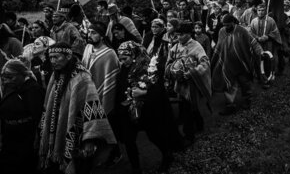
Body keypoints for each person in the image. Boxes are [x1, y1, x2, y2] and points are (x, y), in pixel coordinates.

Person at [38, 42, 116, 174]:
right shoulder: (56, 74)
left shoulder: (82, 77)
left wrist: (89, 139)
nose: (53, 61)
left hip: (77, 130)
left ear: (68, 56)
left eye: (56, 57)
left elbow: (92, 107)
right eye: (50, 57)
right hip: (56, 125)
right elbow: (49, 102)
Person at [116, 41, 182, 174]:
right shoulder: (123, 69)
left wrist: (143, 93)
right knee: (129, 140)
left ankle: (167, 155)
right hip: (129, 112)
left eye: (125, 58)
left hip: (148, 111)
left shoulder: (149, 67)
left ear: (133, 54)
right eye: (120, 59)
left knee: (154, 136)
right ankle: (136, 168)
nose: (122, 62)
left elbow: (159, 90)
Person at [166, 22, 211, 143]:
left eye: (181, 34)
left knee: (188, 108)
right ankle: (199, 124)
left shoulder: (196, 46)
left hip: (192, 84)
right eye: (177, 34)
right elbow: (169, 61)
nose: (178, 37)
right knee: (188, 107)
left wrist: (192, 72)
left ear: (189, 34)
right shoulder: (175, 47)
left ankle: (189, 136)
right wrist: (172, 69)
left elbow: (205, 63)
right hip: (179, 83)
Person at [212, 14, 263, 115]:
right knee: (228, 85)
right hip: (227, 63)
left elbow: (253, 42)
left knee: (245, 83)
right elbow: (219, 44)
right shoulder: (222, 31)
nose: (226, 27)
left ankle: (247, 101)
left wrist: (260, 52)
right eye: (224, 25)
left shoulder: (242, 31)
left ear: (233, 22)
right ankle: (230, 106)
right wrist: (215, 57)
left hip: (241, 63)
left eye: (228, 25)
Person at [0, 59, 44, 174]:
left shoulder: (33, 90)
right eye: (4, 77)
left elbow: (37, 117)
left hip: (24, 141)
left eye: (10, 77)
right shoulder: (12, 86)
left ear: (22, 74)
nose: (6, 81)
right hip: (9, 138)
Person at [249, 3, 282, 79]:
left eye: (263, 10)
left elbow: (275, 31)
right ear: (256, 11)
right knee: (258, 58)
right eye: (259, 10)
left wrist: (267, 36)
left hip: (268, 43)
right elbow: (251, 32)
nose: (260, 12)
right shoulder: (253, 21)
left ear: (266, 11)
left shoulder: (270, 20)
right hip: (257, 43)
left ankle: (269, 75)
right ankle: (259, 75)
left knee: (268, 59)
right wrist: (257, 37)